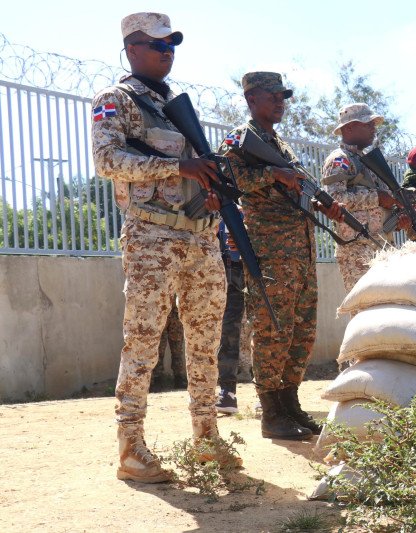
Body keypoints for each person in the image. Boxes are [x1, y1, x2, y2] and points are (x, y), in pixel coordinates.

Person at [92, 12, 237, 483]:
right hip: (152, 236)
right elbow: (108, 160)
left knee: (205, 341)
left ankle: (207, 438)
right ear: (131, 48)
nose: (167, 52)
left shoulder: (175, 104)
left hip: (200, 235)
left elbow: (194, 171)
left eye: (171, 44)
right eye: (157, 45)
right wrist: (177, 168)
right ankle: (130, 448)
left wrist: (208, 185)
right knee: (144, 338)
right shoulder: (116, 100)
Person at [217, 71, 345, 440]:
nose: (281, 103)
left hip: (299, 249)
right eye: (273, 96)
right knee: (273, 327)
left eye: (283, 97)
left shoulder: (279, 143)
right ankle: (271, 413)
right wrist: (272, 174)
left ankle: (290, 404)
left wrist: (325, 206)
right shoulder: (241, 139)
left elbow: (294, 187)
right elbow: (229, 180)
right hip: (271, 248)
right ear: (251, 99)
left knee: (301, 330)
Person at [321, 103, 408, 293]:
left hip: (382, 246)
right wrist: (377, 197)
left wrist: (398, 218)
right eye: (368, 124)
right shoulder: (339, 160)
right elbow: (334, 197)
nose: (373, 128)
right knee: (364, 313)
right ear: (350, 127)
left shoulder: (367, 161)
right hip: (357, 251)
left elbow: (383, 206)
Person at [215, 208, 245, 414]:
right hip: (221, 270)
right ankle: (227, 391)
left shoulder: (250, 205)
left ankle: (269, 395)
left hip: (248, 270)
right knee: (227, 333)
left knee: (264, 330)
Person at [151, 297, 187, 392]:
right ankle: (157, 380)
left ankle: (179, 379)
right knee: (158, 351)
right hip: (160, 315)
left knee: (177, 351)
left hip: (176, 316)